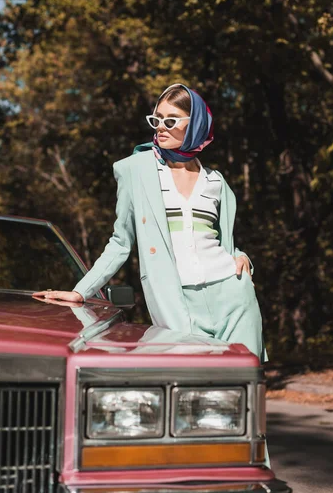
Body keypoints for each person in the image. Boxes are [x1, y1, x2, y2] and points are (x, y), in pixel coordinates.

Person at [34, 83, 267, 363]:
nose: (160, 127)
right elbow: (120, 243)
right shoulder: (136, 171)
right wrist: (79, 291)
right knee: (188, 381)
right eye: (156, 120)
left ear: (196, 125)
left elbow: (219, 239)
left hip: (233, 296)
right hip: (175, 297)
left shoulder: (217, 182)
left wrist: (240, 256)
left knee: (243, 387)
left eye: (170, 120)